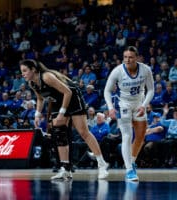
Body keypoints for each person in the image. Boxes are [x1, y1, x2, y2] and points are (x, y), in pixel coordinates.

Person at [20, 59, 109, 181]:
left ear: (33, 69)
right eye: (22, 71)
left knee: (83, 132)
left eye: (25, 71)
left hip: (72, 97)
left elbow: (67, 92)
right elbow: (40, 98)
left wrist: (62, 113)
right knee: (59, 133)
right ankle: (65, 169)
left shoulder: (46, 77)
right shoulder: (32, 83)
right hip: (58, 100)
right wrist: (37, 114)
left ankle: (102, 164)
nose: (23, 74)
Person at [104, 46, 154, 181]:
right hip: (123, 105)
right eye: (125, 57)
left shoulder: (145, 70)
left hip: (139, 104)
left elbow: (151, 90)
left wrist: (144, 105)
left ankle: (131, 161)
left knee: (140, 137)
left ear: (137, 58)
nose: (127, 59)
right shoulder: (117, 71)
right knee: (127, 136)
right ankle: (129, 170)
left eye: (130, 57)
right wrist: (110, 108)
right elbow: (107, 91)